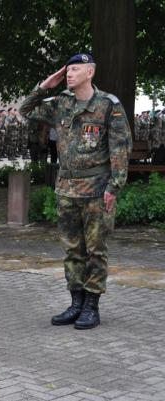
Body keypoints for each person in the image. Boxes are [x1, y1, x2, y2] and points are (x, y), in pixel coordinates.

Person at [20, 53, 132, 330]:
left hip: (96, 191)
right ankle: (76, 303)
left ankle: (91, 306)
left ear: (90, 72)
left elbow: (121, 149)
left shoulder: (108, 105)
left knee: (95, 250)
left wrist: (114, 186)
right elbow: (25, 110)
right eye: (67, 70)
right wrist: (45, 86)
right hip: (67, 190)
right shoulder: (61, 103)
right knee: (72, 250)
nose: (69, 74)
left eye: (75, 69)